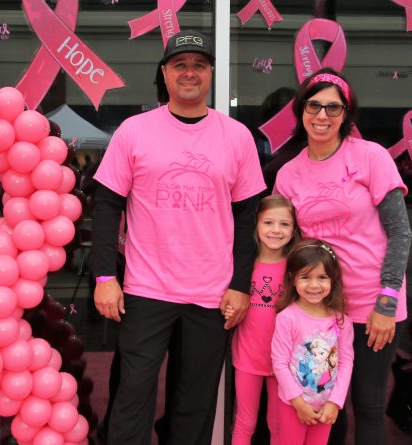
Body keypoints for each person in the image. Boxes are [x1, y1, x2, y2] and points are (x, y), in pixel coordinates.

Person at [91, 29, 266, 444]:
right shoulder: (134, 131)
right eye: (180, 65)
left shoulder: (236, 136)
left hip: (211, 295)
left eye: (199, 65)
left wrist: (241, 285)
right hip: (146, 290)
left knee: (194, 404)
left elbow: (248, 218)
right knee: (132, 394)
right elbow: (107, 206)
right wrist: (104, 276)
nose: (190, 73)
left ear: (210, 74)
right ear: (165, 73)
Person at [273, 67, 412, 444]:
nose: (322, 115)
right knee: (324, 406)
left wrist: (386, 302)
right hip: (322, 309)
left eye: (333, 108)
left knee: (367, 404)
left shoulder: (370, 157)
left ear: (346, 114)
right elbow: (287, 245)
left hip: (373, 306)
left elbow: (400, 232)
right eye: (314, 105)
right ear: (301, 110)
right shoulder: (288, 174)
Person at [226, 195, 298, 444]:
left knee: (277, 423)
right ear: (256, 224)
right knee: (245, 421)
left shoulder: (295, 270)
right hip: (248, 357)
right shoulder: (243, 267)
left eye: (284, 224)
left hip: (284, 362)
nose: (276, 230)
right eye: (268, 222)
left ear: (293, 229)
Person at [271, 239, 354, 445]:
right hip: (293, 405)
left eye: (322, 277)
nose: (314, 285)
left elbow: (346, 362)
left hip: (326, 407)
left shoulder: (341, 320)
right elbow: (279, 363)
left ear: (333, 279)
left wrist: (335, 402)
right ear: (293, 278)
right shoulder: (287, 318)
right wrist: (299, 403)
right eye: (305, 277)